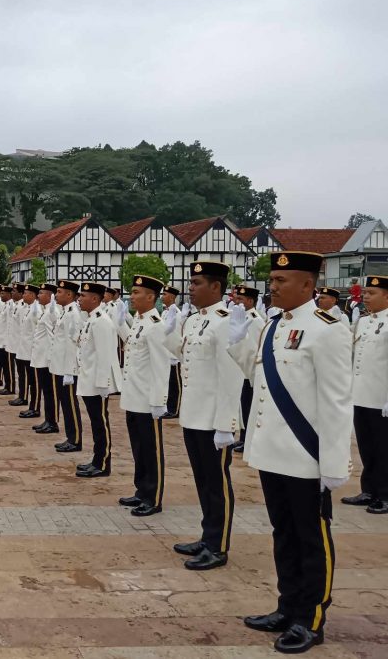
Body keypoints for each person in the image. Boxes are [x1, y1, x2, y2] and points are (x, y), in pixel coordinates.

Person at [228, 251, 351, 654]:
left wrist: (334, 462)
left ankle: (309, 618)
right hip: (272, 451)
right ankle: (287, 606)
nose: (273, 286)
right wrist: (238, 340)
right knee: (283, 533)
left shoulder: (327, 330)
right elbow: (257, 376)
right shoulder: (273, 326)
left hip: (305, 455)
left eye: (282, 281)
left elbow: (336, 402)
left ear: (307, 285)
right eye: (273, 280)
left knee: (311, 538)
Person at [163, 262, 244, 571]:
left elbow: (231, 377)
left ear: (216, 287)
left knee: (216, 483)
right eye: (191, 282)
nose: (191, 288)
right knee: (202, 481)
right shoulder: (195, 320)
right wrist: (170, 333)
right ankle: (207, 536)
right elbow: (184, 357)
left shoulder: (224, 322)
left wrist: (226, 425)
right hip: (193, 414)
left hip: (213, 419)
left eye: (197, 283)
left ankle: (218, 545)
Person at [119, 275, 171, 517]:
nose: (132, 296)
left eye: (136, 292)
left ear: (151, 297)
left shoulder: (156, 325)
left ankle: (153, 497)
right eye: (132, 292)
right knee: (139, 448)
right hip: (134, 397)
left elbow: (161, 366)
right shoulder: (139, 322)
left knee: (151, 450)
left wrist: (159, 401)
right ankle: (141, 490)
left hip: (148, 400)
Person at [342, 275, 388, 514]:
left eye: (371, 293)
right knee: (366, 447)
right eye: (366, 293)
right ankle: (369, 490)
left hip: (381, 398)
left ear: (386, 296)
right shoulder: (363, 322)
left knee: (384, 449)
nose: (366, 297)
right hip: (361, 395)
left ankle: (385, 495)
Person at [75, 282, 122, 478]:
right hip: (89, 379)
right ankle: (96, 459)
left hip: (97, 382)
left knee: (100, 423)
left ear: (95, 299)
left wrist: (103, 384)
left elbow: (105, 355)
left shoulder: (101, 321)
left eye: (83, 296)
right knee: (95, 423)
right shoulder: (92, 319)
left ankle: (102, 463)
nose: (79, 299)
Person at [50, 280, 85, 453]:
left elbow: (73, 344)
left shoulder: (73, 314)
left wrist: (70, 371)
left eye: (59, 292)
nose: (56, 295)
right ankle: (70, 437)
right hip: (60, 366)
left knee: (70, 404)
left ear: (69, 294)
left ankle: (75, 439)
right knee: (65, 404)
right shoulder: (66, 312)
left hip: (67, 368)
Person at [231, 285, 266, 452]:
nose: (237, 302)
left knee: (248, 407)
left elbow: (256, 346)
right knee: (243, 407)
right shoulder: (242, 317)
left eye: (241, 299)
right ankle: (243, 438)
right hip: (240, 370)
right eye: (236, 298)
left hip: (249, 372)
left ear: (251, 301)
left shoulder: (255, 320)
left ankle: (248, 440)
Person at [30, 283, 60, 435]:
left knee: (50, 392)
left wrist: (51, 358)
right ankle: (48, 420)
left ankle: (52, 422)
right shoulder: (46, 311)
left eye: (41, 293)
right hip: (41, 358)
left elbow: (52, 336)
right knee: (46, 392)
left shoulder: (52, 312)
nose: (38, 295)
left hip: (46, 359)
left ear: (49, 296)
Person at [14, 284, 40, 411]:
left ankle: (34, 407)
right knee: (23, 376)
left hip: (31, 351)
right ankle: (24, 398)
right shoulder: (28, 308)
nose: (23, 295)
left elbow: (37, 333)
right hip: (23, 349)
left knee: (33, 381)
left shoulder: (36, 310)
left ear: (32, 295)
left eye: (25, 293)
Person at [161, 284, 182, 418]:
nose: (162, 297)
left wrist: (174, 356)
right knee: (168, 383)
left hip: (173, 355)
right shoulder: (165, 312)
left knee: (175, 384)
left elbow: (177, 334)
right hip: (165, 353)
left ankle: (175, 409)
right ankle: (169, 408)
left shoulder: (176, 314)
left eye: (165, 294)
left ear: (172, 297)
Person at [0, 286, 16, 396]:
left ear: (9, 295)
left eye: (3, 293)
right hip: (2, 340)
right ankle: (7, 385)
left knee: (8, 366)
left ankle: (10, 387)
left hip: (7, 341)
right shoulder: (6, 305)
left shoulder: (11, 305)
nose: (1, 295)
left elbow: (10, 325)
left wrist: (7, 341)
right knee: (4, 365)